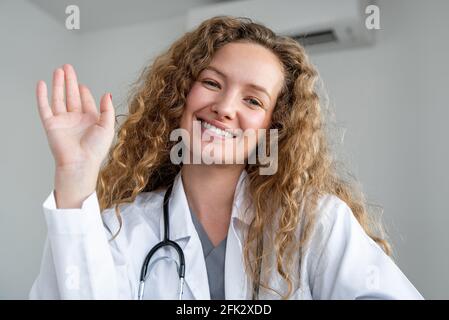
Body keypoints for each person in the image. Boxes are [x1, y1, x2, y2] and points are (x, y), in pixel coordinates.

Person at [30, 16, 423, 300]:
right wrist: (75, 175)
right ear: (180, 95)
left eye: (253, 99)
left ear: (274, 127)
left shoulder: (315, 223)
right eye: (212, 83)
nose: (224, 107)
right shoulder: (124, 229)